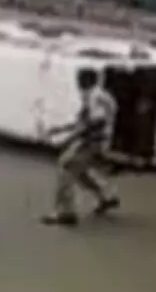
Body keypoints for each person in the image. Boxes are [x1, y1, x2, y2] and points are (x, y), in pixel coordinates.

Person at [43, 68, 121, 226]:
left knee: (66, 167)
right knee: (79, 172)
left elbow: (95, 123)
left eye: (78, 80)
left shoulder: (94, 96)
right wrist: (61, 129)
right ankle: (107, 197)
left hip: (93, 141)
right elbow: (85, 121)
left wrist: (69, 139)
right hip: (100, 140)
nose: (77, 84)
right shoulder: (100, 96)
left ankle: (66, 213)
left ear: (84, 81)